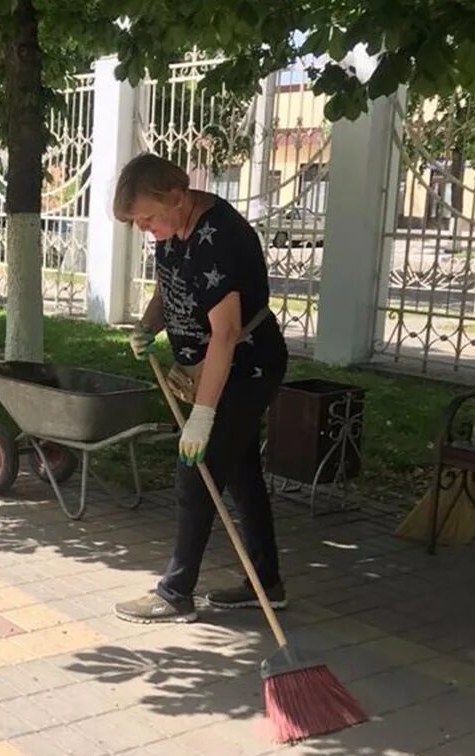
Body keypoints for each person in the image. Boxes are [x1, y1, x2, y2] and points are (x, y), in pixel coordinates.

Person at [112, 153, 288, 624]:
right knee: (242, 473)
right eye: (137, 222)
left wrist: (203, 417)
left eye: (147, 217)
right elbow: (169, 288)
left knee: (198, 471)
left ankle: (175, 593)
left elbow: (226, 334)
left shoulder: (220, 240)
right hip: (216, 368)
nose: (144, 228)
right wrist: (149, 326)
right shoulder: (173, 230)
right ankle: (265, 583)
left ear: (177, 196)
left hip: (244, 368)